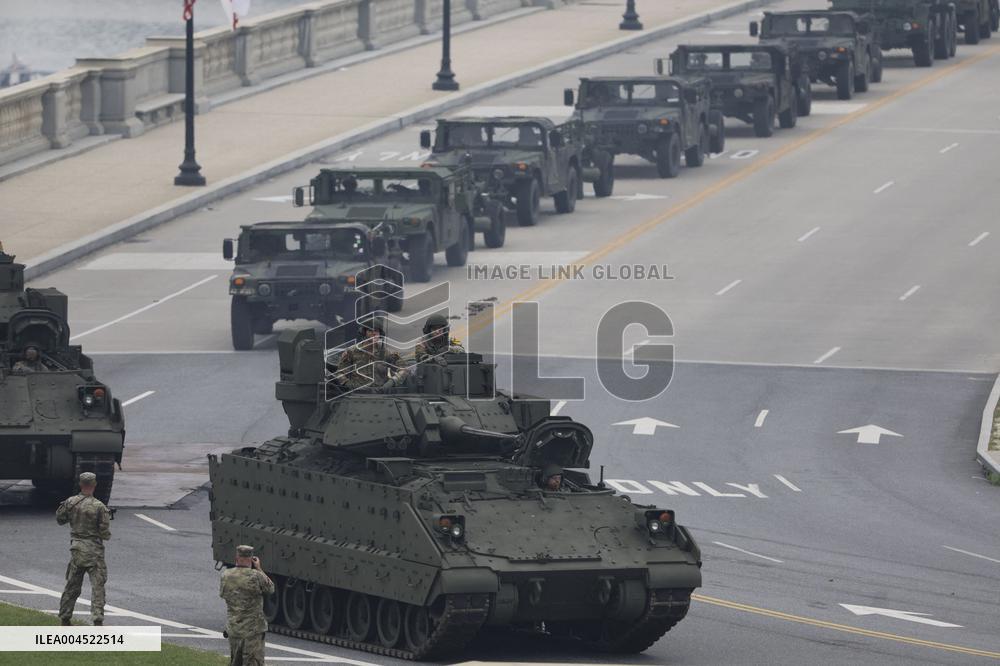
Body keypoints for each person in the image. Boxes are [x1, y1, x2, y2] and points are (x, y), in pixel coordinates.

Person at [56, 472, 111, 627]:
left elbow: (60, 519)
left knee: (72, 586)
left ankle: (65, 618)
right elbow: (105, 534)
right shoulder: (99, 506)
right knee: (97, 587)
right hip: (94, 552)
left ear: (80, 484)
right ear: (94, 485)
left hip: (77, 549)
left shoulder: (71, 502)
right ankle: (97, 619)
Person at [220, 545, 274, 666]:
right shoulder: (256, 576)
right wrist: (259, 568)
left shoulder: (226, 575)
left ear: (236, 558)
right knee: (253, 662)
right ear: (251, 559)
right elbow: (270, 588)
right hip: (252, 631)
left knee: (235, 662)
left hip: (234, 628)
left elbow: (223, 595)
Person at [335, 318, 404, 390]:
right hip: (357, 395)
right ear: (364, 333)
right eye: (370, 330)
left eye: (376, 331)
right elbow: (339, 373)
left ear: (380, 334)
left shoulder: (385, 353)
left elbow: (404, 369)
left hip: (380, 395)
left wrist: (392, 382)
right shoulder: (352, 352)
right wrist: (347, 384)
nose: (374, 333)